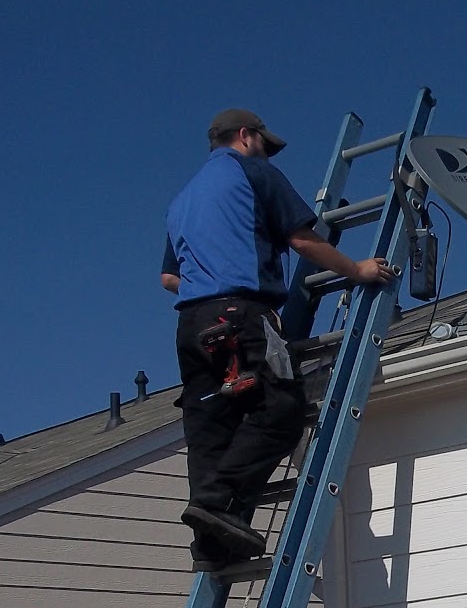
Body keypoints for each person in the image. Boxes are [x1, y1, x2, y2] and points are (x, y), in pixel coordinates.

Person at [162, 107, 394, 575]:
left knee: (211, 429)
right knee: (282, 410)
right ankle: (217, 501)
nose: (267, 154)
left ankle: (211, 545)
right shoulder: (251, 173)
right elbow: (303, 241)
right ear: (245, 136)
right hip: (240, 314)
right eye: (264, 145)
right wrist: (357, 270)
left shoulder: (183, 199)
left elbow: (170, 278)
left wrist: (209, 282)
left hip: (191, 324)